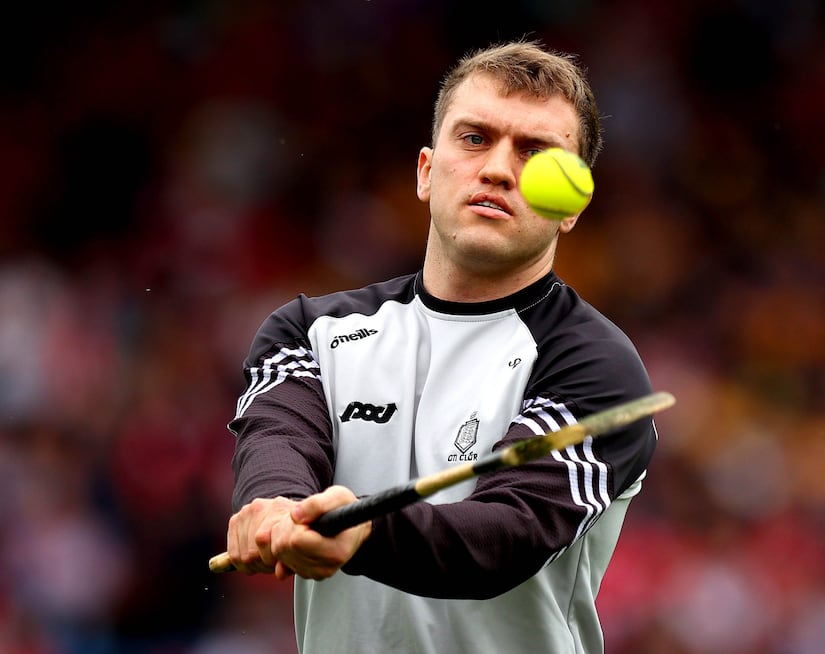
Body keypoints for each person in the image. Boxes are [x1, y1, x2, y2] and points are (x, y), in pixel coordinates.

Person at [223, 39, 659, 654]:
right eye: (476, 138)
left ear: (572, 206)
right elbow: (280, 438)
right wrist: (274, 507)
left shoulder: (597, 366)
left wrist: (363, 531)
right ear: (427, 171)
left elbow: (505, 534)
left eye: (536, 154)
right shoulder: (307, 332)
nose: (500, 170)